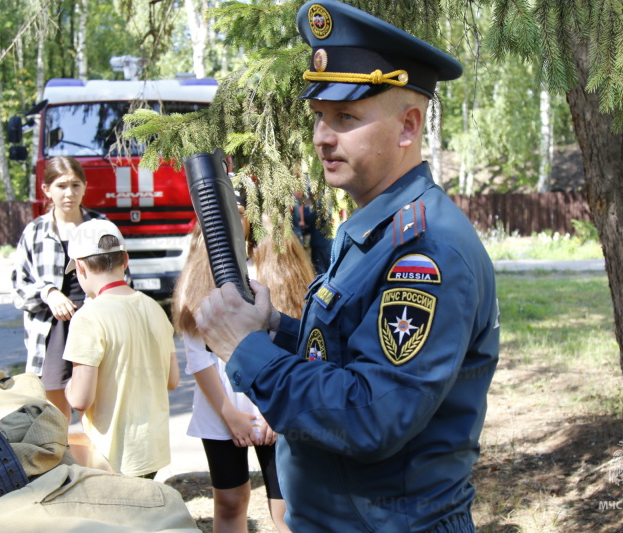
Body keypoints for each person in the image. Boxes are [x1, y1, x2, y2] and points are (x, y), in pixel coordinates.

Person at [193, 2, 501, 532]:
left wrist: (247, 351)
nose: (321, 137)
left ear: (408, 126)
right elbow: (348, 357)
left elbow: (372, 415)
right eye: (319, 116)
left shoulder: (426, 251)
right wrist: (275, 329)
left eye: (346, 117)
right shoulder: (375, 230)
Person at [172, 196, 314, 533]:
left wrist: (274, 410)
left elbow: (295, 343)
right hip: (220, 410)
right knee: (231, 501)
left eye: (236, 213)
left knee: (287, 508)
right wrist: (229, 414)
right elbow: (198, 357)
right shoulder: (197, 273)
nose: (227, 221)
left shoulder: (279, 268)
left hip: (276, 408)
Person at [11, 156, 126, 421]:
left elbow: (122, 275)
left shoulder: (100, 226)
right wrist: (48, 293)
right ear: (47, 190)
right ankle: (61, 453)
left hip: (96, 321)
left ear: (85, 187)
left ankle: (98, 458)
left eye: (75, 185)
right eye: (61, 186)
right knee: (55, 409)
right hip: (52, 327)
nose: (69, 193)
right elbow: (19, 287)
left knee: (99, 400)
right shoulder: (35, 231)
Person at [62, 219, 180, 478]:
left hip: (110, 454)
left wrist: (68, 387)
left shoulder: (87, 317)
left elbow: (81, 399)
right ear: (125, 260)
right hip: (151, 450)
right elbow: (172, 380)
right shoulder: (154, 308)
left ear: (80, 266)